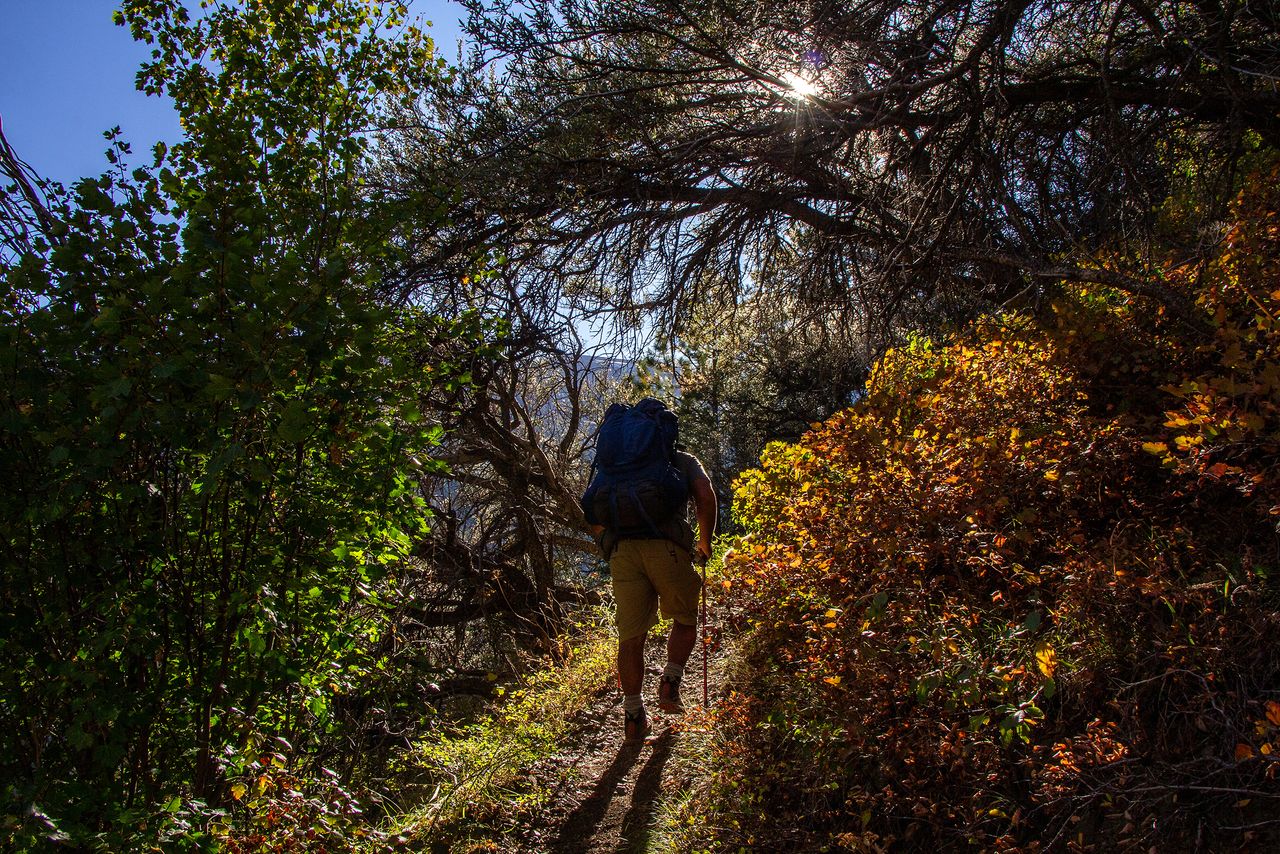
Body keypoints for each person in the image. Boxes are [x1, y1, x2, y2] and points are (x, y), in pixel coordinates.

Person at [592, 447, 717, 744]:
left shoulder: (615, 462)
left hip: (623, 553)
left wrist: (607, 543)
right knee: (685, 618)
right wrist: (705, 542)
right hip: (668, 547)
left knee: (631, 635)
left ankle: (634, 717)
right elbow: (705, 493)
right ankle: (670, 683)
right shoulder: (682, 460)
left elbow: (591, 508)